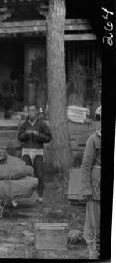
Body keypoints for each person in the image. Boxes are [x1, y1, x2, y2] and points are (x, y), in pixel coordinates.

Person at [17, 105, 51, 203]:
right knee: (27, 173)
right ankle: (28, 195)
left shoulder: (42, 124)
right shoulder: (24, 124)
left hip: (38, 151)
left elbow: (48, 138)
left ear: (36, 112)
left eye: (32, 110)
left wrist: (38, 135)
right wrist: (25, 134)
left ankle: (40, 195)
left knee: (39, 173)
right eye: (29, 111)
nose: (30, 112)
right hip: (26, 151)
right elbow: (19, 137)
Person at [80, 109, 101, 259]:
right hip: (97, 183)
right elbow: (86, 165)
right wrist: (86, 188)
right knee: (94, 218)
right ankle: (93, 247)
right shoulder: (94, 139)